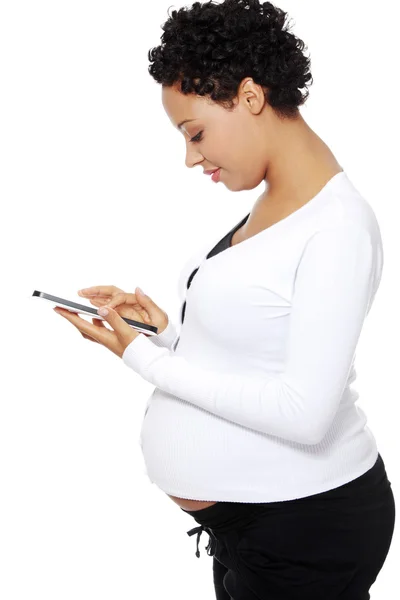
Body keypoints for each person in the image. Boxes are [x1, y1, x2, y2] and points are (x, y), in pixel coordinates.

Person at [70, 1, 396, 598]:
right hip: (252, 525)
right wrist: (162, 334)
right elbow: (261, 348)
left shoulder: (340, 227)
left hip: (308, 527)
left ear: (250, 97)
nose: (191, 157)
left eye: (194, 133)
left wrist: (141, 361)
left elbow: (305, 412)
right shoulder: (278, 202)